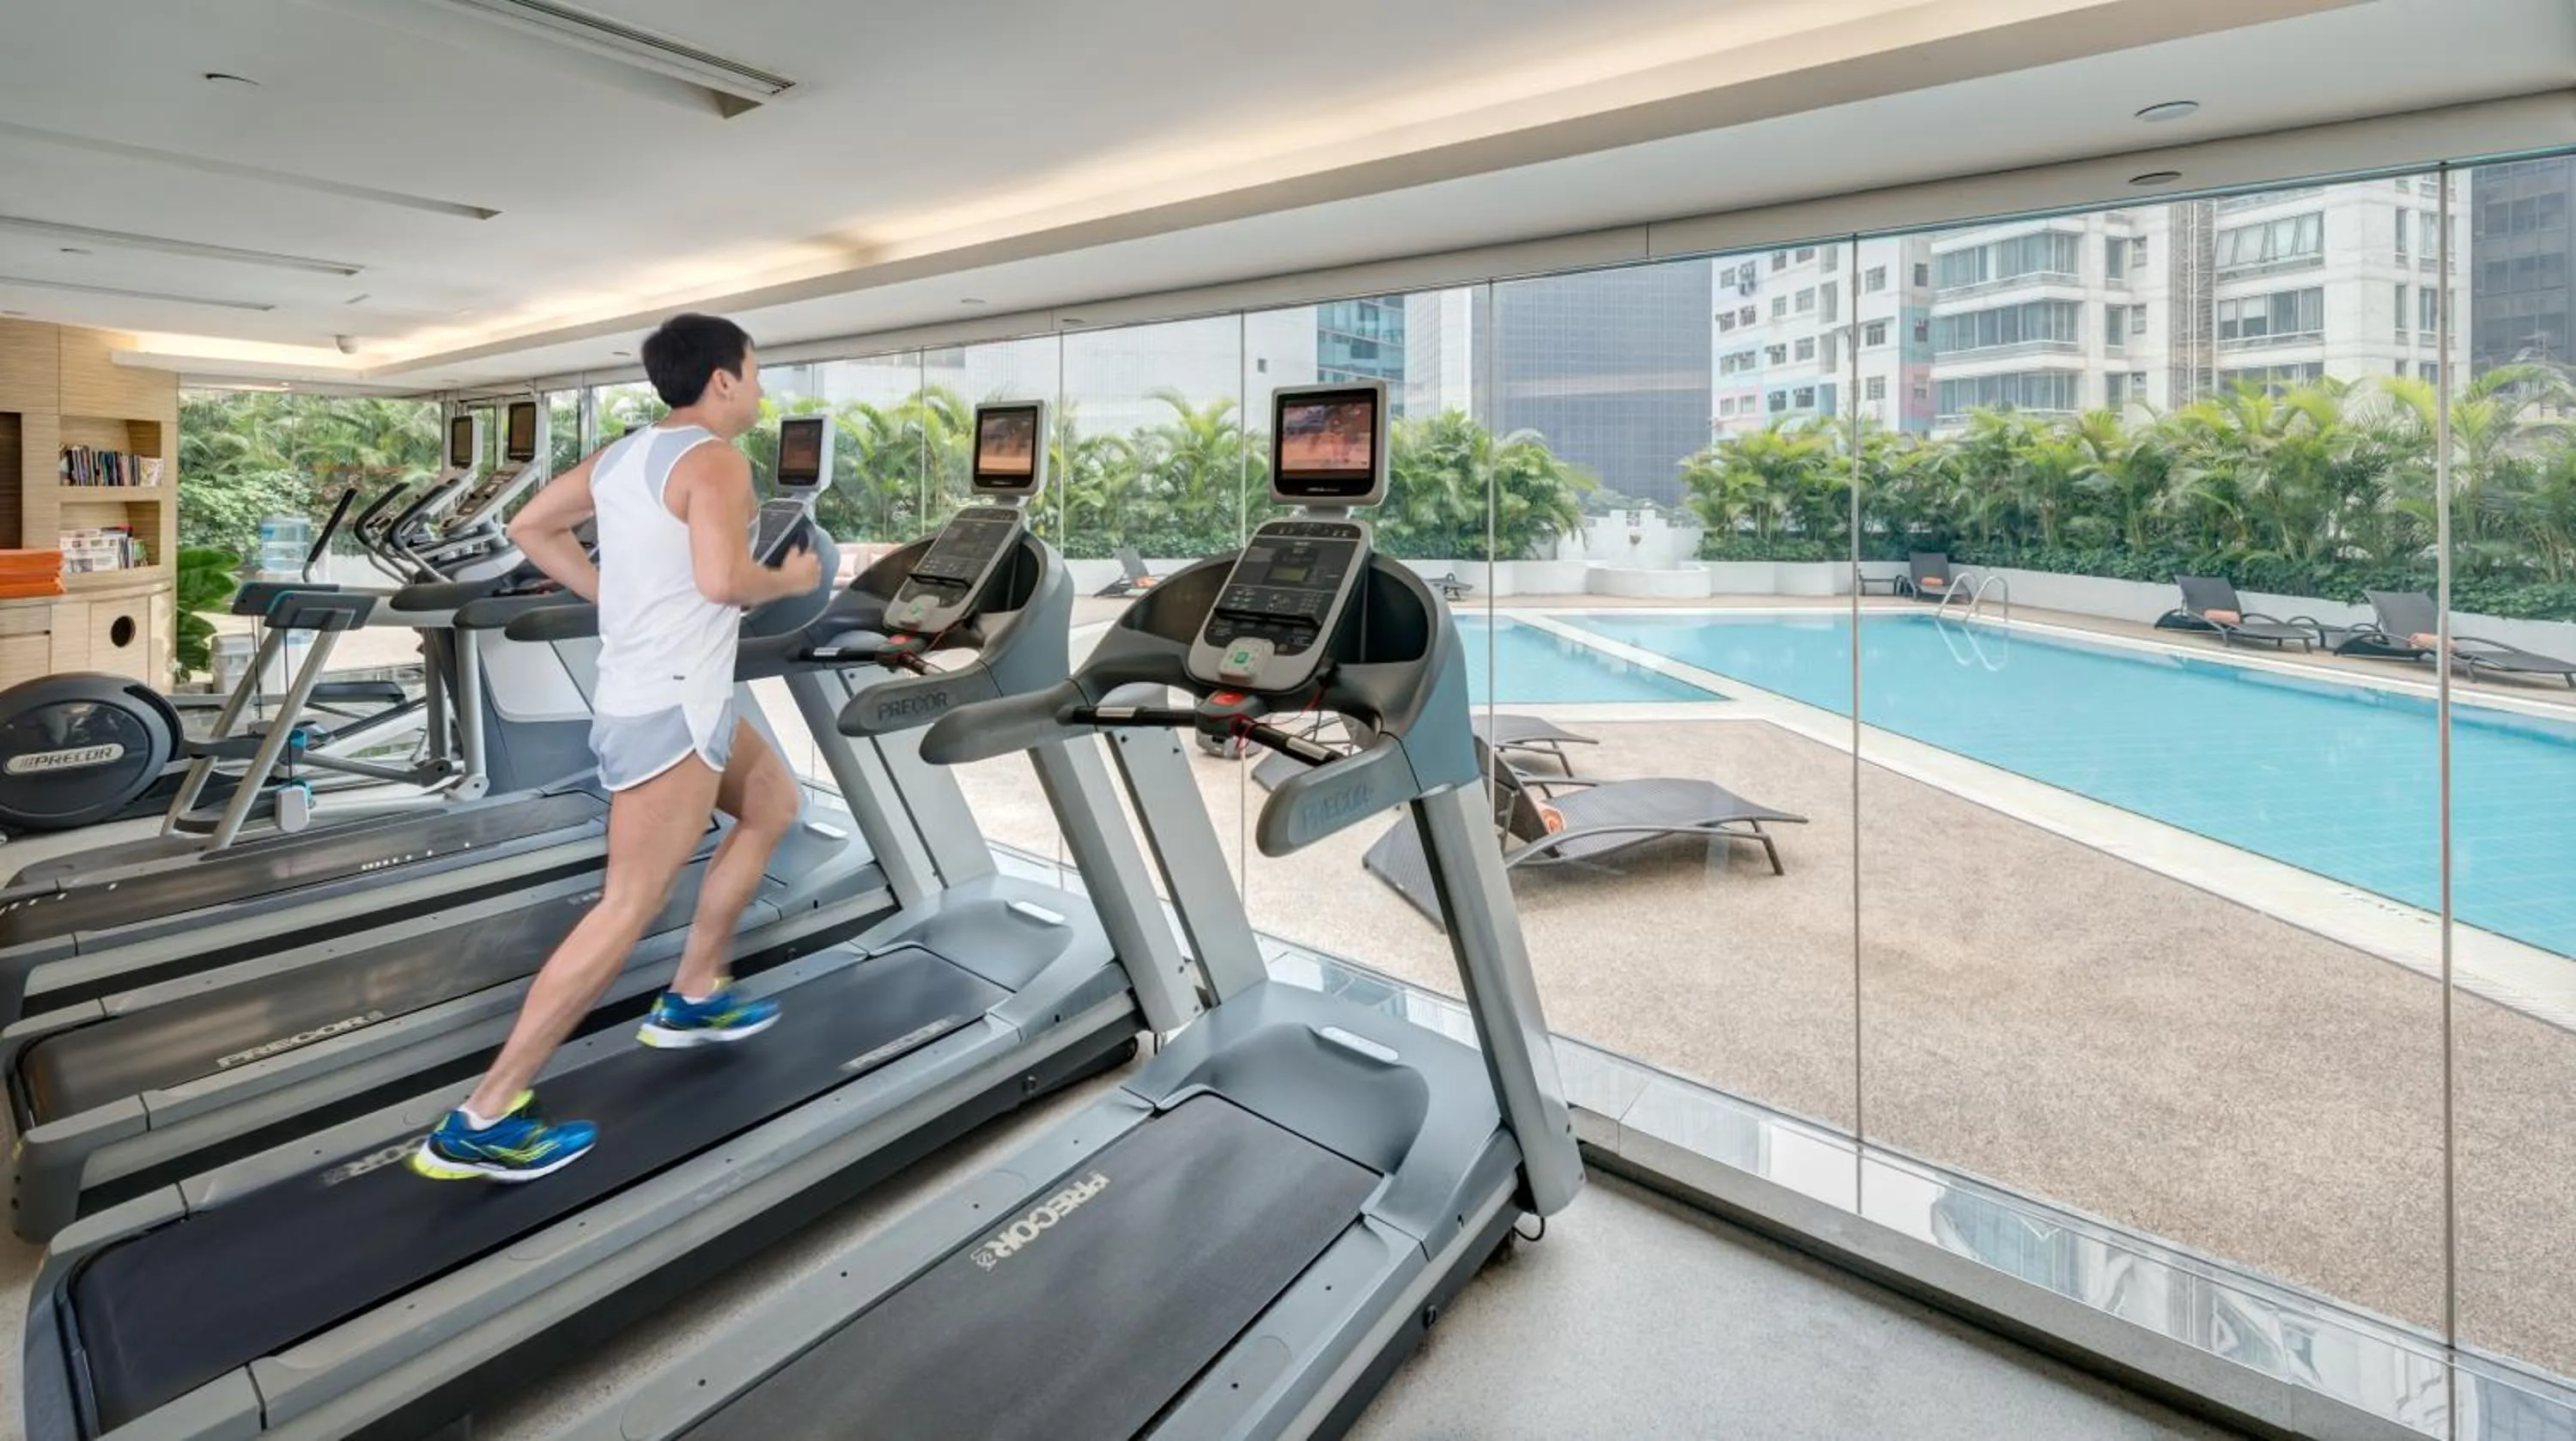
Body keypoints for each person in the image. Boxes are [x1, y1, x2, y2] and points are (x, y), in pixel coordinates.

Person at [411, 313, 824, 1183]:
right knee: (627, 903)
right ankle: (483, 1116)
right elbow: (723, 581)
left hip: (675, 692)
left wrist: (616, 596)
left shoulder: (627, 455)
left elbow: (530, 526)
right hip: (672, 706)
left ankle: (696, 990)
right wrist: (787, 579)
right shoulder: (714, 459)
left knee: (774, 804)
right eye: (753, 372)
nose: (756, 387)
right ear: (721, 379)